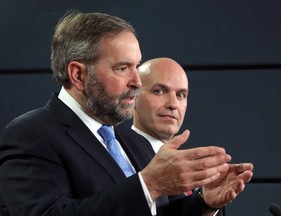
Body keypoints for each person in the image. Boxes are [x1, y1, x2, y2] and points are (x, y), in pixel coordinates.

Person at [0, 10, 252, 216]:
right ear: (78, 75)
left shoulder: (133, 141)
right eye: (122, 68)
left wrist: (204, 203)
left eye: (137, 66)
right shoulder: (30, 135)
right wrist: (149, 185)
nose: (137, 82)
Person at [132, 57, 254, 215]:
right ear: (133, 97)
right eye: (159, 91)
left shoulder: (188, 166)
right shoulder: (117, 155)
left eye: (181, 95)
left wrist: (205, 205)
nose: (173, 104)